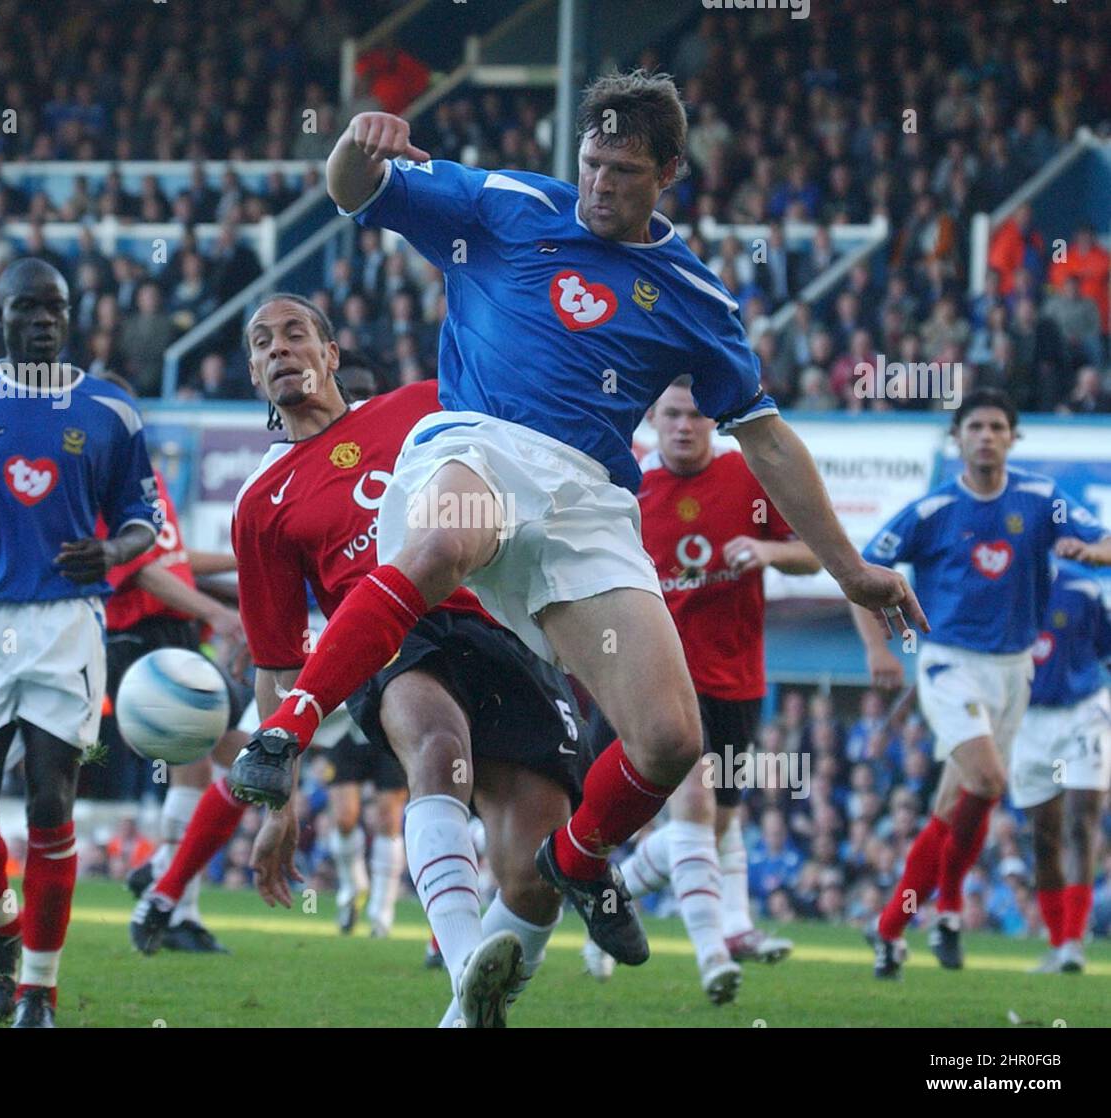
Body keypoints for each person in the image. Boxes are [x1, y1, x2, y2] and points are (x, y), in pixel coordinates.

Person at [230, 70, 925, 970]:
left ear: (670, 171)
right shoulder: (509, 204)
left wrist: (852, 570)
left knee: (671, 738)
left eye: (624, 172)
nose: (599, 184)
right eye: (592, 162)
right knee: (442, 542)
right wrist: (353, 144)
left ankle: (579, 857)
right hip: (477, 438)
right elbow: (354, 192)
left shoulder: (694, 298)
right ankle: (285, 733)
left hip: (589, 499)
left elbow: (768, 439)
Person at [132, 294, 599, 1028]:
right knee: (437, 751)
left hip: (494, 619)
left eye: (294, 334)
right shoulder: (262, 503)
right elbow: (278, 663)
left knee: (531, 872)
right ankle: (459, 963)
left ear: (331, 354)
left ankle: (467, 1012)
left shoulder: (420, 406)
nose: (279, 349)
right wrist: (278, 803)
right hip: (384, 633)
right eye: (262, 343)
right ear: (254, 373)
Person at [0, 257, 160, 1027]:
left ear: (72, 316)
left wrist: (114, 552)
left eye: (57, 307)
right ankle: (3, 931)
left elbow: (141, 515)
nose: (44, 321)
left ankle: (39, 992)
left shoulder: (110, 409)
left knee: (52, 801)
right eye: (28, 308)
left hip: (69, 621)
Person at [855, 388, 1111, 978]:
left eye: (998, 426)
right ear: (958, 437)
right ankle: (947, 911)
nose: (987, 436)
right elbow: (863, 575)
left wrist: (1090, 553)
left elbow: (1102, 538)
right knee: (990, 779)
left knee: (959, 802)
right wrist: (877, 650)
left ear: (1012, 438)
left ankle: (890, 928)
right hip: (949, 663)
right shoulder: (933, 511)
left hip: (1015, 671)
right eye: (976, 426)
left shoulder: (1041, 498)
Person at [586, 378, 817, 1001]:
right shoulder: (625, 483)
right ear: (652, 421)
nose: (684, 426)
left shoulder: (750, 476)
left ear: (714, 422)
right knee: (685, 806)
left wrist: (768, 551)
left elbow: (813, 554)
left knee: (714, 825)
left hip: (734, 677)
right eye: (672, 416)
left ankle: (612, 900)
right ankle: (715, 954)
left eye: (695, 415)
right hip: (647, 678)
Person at [89, 371, 249, 953]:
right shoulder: (99, 483)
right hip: (138, 638)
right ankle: (173, 902)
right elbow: (141, 570)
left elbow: (174, 559)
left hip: (174, 632)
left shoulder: (141, 478)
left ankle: (161, 874)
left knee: (232, 756)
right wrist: (222, 612)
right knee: (210, 758)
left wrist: (239, 563)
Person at [1009, 559, 1111, 974]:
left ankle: (1073, 942)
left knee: (1080, 822)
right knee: (1044, 836)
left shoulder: (1085, 591)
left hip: (1083, 714)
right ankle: (1056, 941)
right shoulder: (1000, 591)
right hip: (1027, 723)